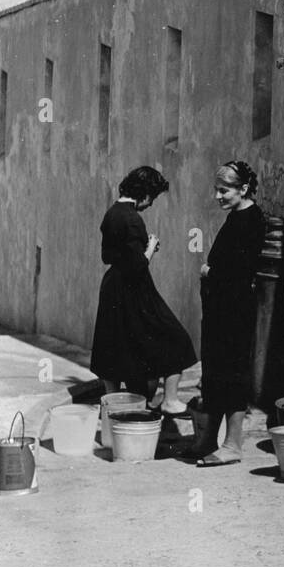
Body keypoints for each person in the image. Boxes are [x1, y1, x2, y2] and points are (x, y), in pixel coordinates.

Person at [90, 167, 196, 415]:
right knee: (176, 338)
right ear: (145, 193)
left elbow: (107, 256)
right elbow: (137, 265)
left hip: (112, 287)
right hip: (134, 288)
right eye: (153, 198)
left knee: (114, 343)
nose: (150, 204)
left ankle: (111, 404)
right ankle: (170, 400)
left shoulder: (111, 214)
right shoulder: (133, 219)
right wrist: (150, 247)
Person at [195, 160, 265, 466]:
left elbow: (240, 271)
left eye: (224, 190)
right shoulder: (237, 216)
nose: (218, 196)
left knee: (232, 374)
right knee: (214, 374)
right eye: (216, 190)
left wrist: (211, 271)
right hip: (219, 311)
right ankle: (208, 439)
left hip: (234, 312)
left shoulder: (250, 220)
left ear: (243, 189)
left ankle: (232, 444)